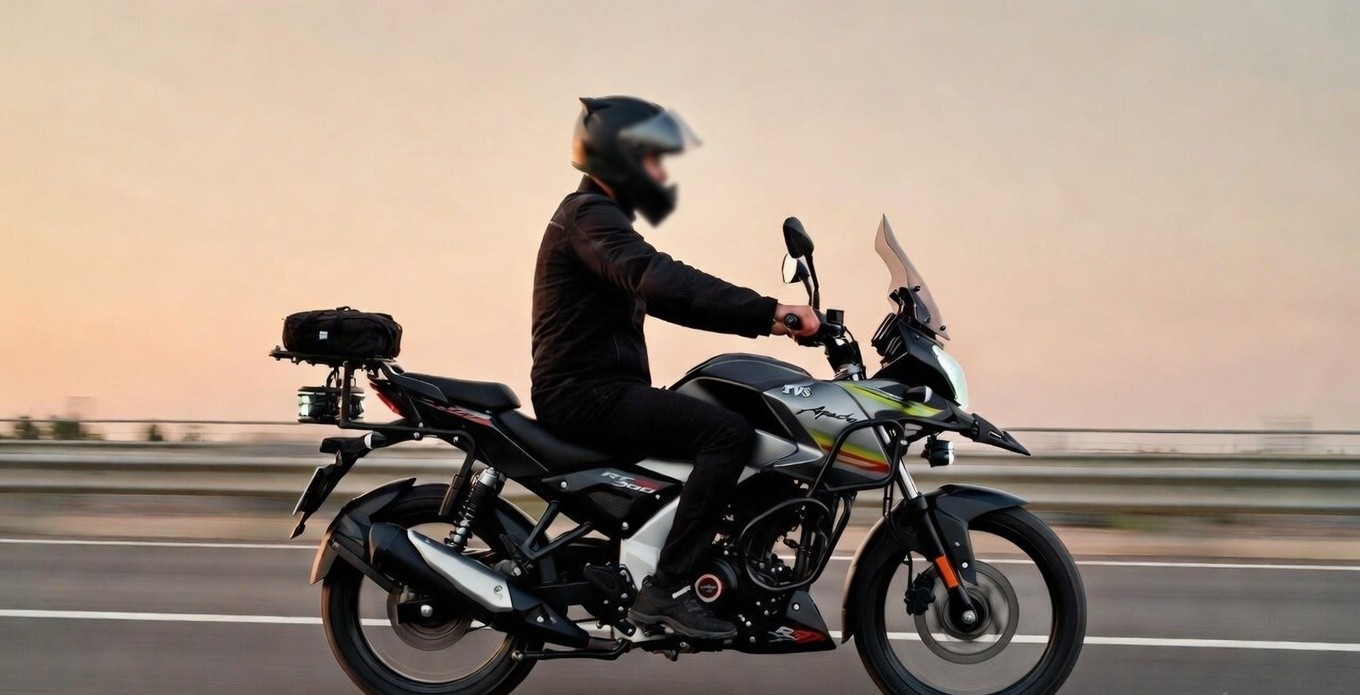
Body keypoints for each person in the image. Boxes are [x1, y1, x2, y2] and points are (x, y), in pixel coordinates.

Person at [530, 96, 819, 639]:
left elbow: (675, 298)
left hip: (601, 388)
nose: (660, 174)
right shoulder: (589, 217)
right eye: (651, 158)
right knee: (728, 434)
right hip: (585, 394)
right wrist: (770, 311)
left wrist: (770, 321)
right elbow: (661, 280)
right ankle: (666, 591)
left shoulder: (593, 220)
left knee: (712, 406)